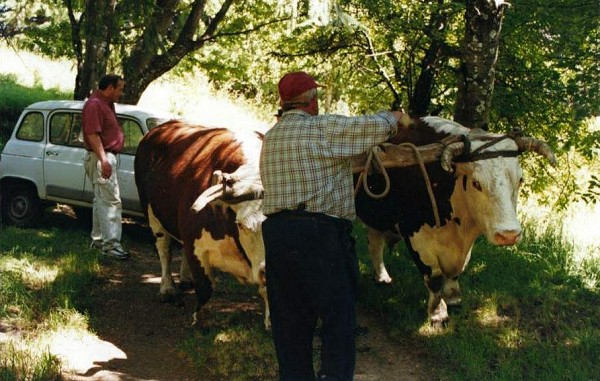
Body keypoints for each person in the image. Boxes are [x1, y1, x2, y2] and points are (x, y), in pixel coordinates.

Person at [260, 71, 404, 381]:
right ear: (311, 102)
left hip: (277, 237)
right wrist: (398, 117)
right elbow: (376, 125)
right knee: (338, 320)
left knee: (290, 325)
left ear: (284, 103)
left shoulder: (271, 137)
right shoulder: (324, 129)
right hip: (321, 236)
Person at [82, 74, 130, 260]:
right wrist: (104, 160)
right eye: (119, 89)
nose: (121, 93)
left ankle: (99, 240)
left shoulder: (106, 103)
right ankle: (111, 245)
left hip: (104, 156)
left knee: (101, 201)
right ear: (110, 87)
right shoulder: (94, 104)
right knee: (111, 201)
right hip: (101, 157)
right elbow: (93, 134)